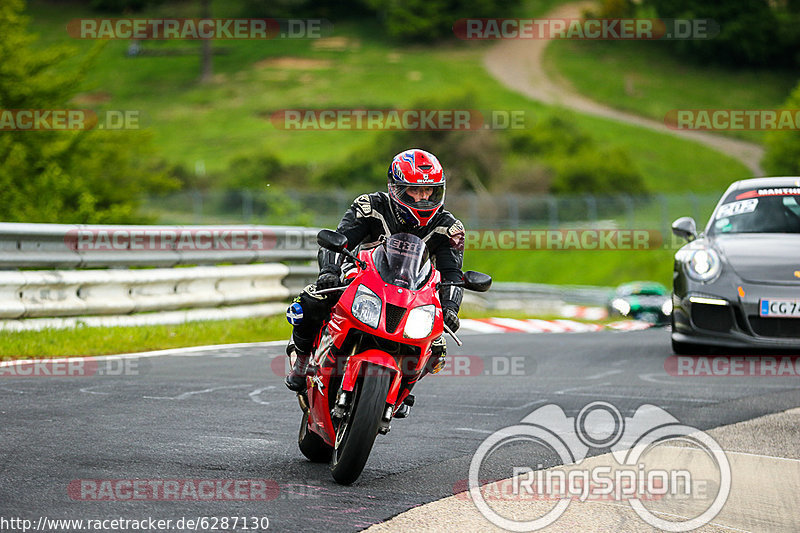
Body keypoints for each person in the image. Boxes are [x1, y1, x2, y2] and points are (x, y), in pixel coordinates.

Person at [284, 149, 465, 412]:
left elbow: (452, 274)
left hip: (414, 295)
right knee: (311, 301)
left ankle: (403, 390)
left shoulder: (449, 228)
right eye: (414, 191)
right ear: (396, 188)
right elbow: (337, 241)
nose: (423, 198)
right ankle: (301, 362)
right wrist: (329, 272)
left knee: (437, 348)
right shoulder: (369, 207)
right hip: (360, 279)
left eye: (430, 191)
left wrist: (450, 308)